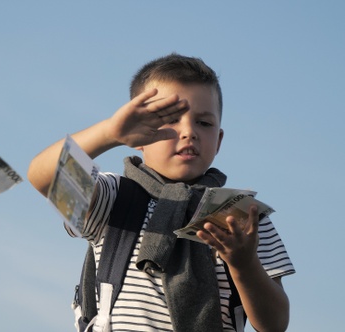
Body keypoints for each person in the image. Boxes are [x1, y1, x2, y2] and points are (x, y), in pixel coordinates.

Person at [27, 53, 295, 332]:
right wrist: (109, 134)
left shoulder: (239, 215)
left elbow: (274, 324)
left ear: (219, 140)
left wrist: (244, 264)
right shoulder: (113, 198)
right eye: (170, 119)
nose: (188, 132)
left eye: (204, 123)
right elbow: (45, 177)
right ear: (136, 135)